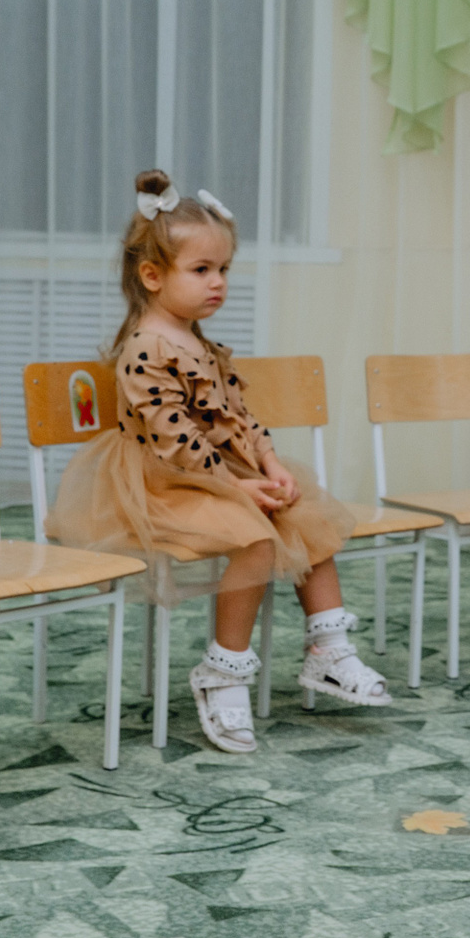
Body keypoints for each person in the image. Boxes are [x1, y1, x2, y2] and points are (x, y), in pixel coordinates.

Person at [48, 170, 378, 753]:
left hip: (216, 473)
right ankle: (223, 671)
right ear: (153, 276)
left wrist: (269, 463)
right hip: (163, 481)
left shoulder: (200, 342)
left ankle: (328, 650)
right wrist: (235, 488)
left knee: (307, 517)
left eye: (223, 268)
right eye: (201, 270)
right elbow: (175, 438)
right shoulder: (146, 348)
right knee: (254, 539)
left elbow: (239, 416)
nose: (218, 282)